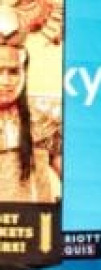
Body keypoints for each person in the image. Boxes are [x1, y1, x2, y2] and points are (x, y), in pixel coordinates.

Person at [0, 3, 63, 204]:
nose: (6, 81)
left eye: (13, 71)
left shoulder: (43, 121)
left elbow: (78, 183)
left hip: (36, 230)